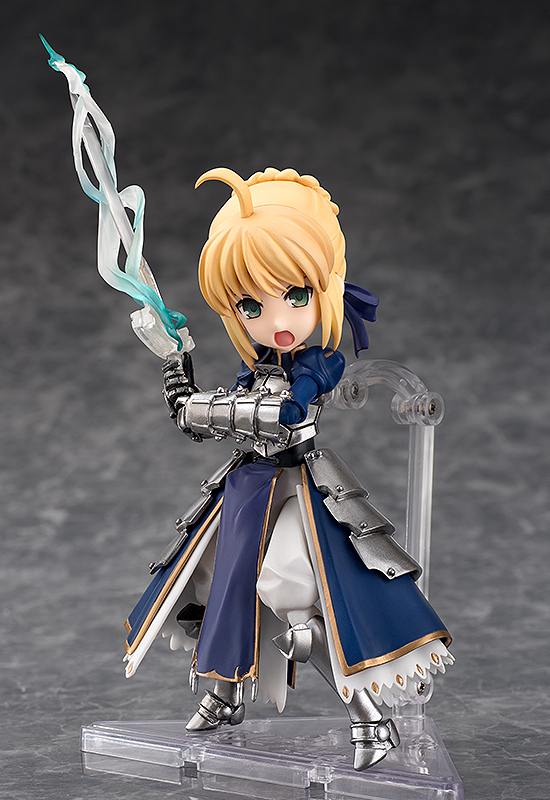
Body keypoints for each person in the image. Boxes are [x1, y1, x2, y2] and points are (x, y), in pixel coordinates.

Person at [124, 166, 453, 770]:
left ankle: (370, 717)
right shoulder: (255, 369)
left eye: (295, 296)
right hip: (248, 487)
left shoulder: (318, 363)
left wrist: (220, 407)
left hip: (299, 485)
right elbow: (195, 419)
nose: (275, 318)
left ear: (323, 289)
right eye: (251, 304)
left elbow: (288, 413)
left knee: (295, 591)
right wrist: (176, 364)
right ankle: (226, 695)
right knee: (215, 584)